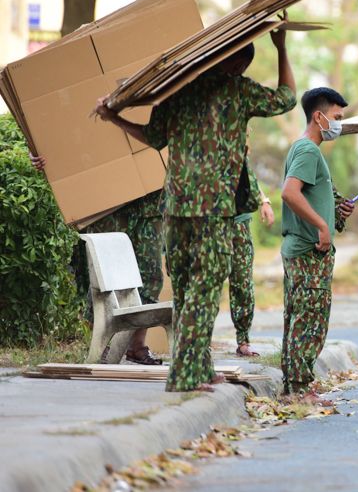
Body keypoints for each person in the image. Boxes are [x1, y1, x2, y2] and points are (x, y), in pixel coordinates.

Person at [93, 26, 296, 392]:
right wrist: (281, 47)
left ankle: (200, 368)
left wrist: (115, 118)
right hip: (212, 210)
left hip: (176, 208)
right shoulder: (238, 90)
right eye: (243, 66)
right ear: (235, 65)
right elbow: (286, 98)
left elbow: (154, 138)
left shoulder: (178, 90)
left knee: (186, 291)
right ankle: (184, 376)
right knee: (205, 291)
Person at [30, 155, 165, 365]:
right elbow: (59, 133)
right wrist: (41, 153)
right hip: (106, 202)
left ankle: (137, 346)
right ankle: (99, 345)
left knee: (151, 275)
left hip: (148, 201)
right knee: (104, 278)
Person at [279, 87, 355, 404]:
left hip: (307, 249)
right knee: (310, 320)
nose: (339, 124)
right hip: (308, 251)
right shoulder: (308, 150)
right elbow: (289, 193)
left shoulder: (307, 150)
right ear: (318, 116)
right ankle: (299, 389)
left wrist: (336, 214)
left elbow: (309, 198)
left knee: (302, 317)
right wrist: (321, 225)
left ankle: (296, 387)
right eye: (336, 118)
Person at [230, 153, 275, 358]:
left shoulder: (241, 152)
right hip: (210, 224)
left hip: (239, 223)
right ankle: (199, 341)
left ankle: (243, 340)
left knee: (242, 282)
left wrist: (264, 201)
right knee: (205, 284)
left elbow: (249, 179)